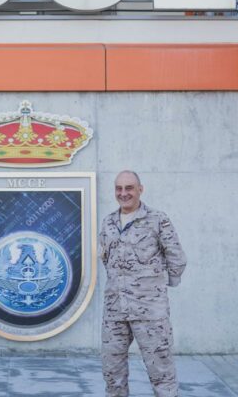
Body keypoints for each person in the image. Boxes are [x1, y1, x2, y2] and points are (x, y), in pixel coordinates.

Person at [99, 170, 188, 397]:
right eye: (119, 188)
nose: (123, 193)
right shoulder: (108, 222)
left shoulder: (158, 219)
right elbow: (107, 259)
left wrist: (158, 286)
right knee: (112, 372)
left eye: (129, 188)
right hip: (115, 311)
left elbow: (176, 256)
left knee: (161, 374)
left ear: (140, 189)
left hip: (150, 312)